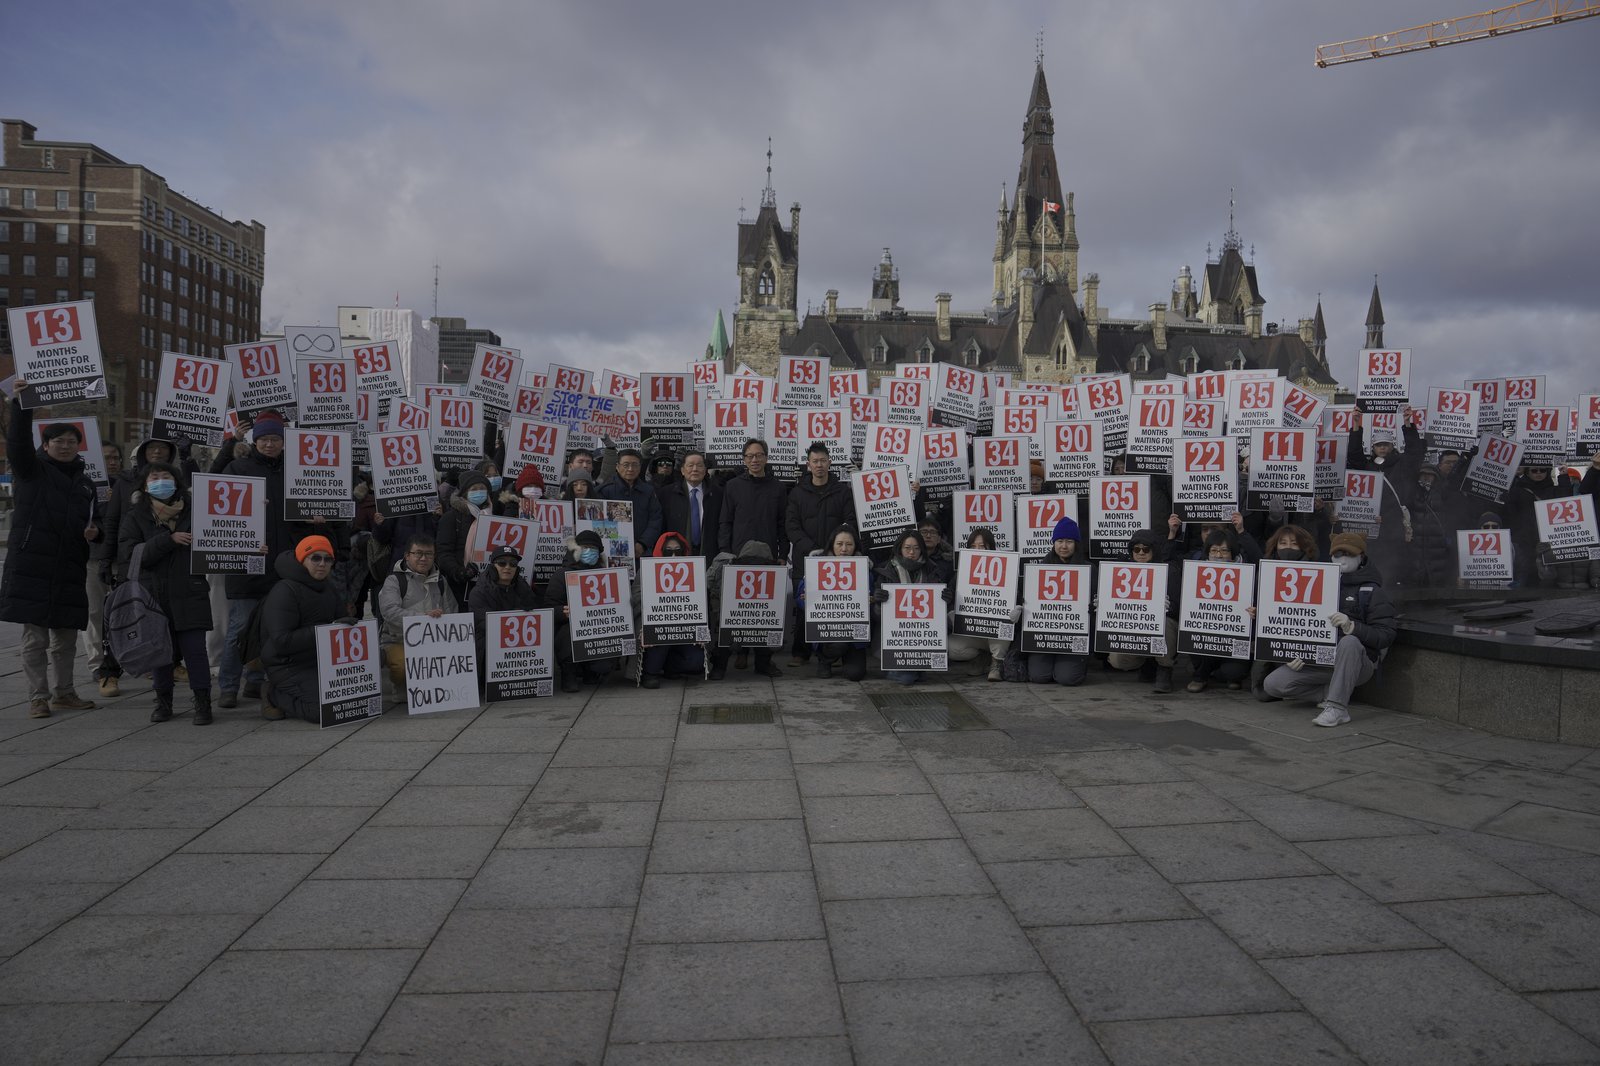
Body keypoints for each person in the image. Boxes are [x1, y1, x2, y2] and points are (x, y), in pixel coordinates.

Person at [213, 412, 333, 711]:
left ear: (283, 442)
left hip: (286, 567)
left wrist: (314, 520)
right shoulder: (237, 468)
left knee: (272, 630)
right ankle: (228, 685)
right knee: (240, 628)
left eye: (275, 439)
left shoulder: (297, 472)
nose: (269, 444)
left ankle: (256, 680)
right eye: (264, 439)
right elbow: (213, 497)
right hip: (247, 564)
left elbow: (306, 518)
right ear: (255, 440)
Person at [2, 389, 101, 718]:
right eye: (58, 441)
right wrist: (20, 404)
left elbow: (93, 521)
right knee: (34, 639)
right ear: (45, 446)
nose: (65, 445)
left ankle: (64, 692)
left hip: (69, 567)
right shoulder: (31, 471)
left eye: (71, 441)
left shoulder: (86, 484)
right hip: (33, 565)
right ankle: (37, 697)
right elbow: (16, 441)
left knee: (65, 639)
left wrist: (94, 531)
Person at [1261, 532, 1397, 727]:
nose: (1342, 559)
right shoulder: (1321, 582)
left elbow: (1386, 635)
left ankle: (1337, 707)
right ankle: (1331, 692)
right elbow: (1299, 622)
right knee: (1273, 684)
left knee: (1349, 642)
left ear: (1361, 557)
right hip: (1321, 660)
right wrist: (1295, 652)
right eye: (1337, 554)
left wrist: (1353, 627)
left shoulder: (1373, 592)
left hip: (1358, 662)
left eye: (1349, 554)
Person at [117, 461, 215, 724]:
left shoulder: (198, 510)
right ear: (145, 485)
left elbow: (224, 536)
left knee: (196, 651)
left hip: (190, 590)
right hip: (153, 595)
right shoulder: (136, 515)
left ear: (176, 481)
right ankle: (163, 702)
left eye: (166, 476)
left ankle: (203, 703)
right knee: (159, 652)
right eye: (155, 477)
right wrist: (167, 540)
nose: (161, 480)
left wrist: (250, 545)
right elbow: (129, 553)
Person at [258, 535, 347, 722]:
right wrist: (327, 630)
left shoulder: (330, 588)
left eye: (327, 559)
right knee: (323, 712)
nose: (322, 563)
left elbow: (340, 624)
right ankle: (272, 693)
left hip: (319, 660)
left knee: (352, 702)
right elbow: (282, 641)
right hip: (287, 664)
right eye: (315, 558)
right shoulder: (284, 590)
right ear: (302, 560)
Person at [872, 528, 977, 685]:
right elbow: (876, 616)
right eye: (907, 548)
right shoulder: (887, 571)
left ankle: (912, 668)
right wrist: (879, 602)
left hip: (920, 638)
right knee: (907, 678)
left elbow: (939, 613)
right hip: (893, 638)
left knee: (919, 677)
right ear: (900, 548)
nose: (912, 552)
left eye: (916, 548)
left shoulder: (932, 570)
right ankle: (894, 669)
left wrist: (945, 601)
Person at [784, 442, 855, 666]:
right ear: (808, 464)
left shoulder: (843, 491)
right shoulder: (797, 493)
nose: (819, 465)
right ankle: (801, 652)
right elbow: (792, 526)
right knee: (805, 605)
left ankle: (831, 652)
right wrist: (811, 549)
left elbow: (850, 522)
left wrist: (833, 549)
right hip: (805, 560)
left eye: (823, 460)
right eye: (815, 461)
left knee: (833, 606)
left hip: (836, 561)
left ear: (830, 462)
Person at [378, 535, 458, 707]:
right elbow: (390, 612)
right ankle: (402, 689)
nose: (424, 558)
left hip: (434, 641)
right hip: (398, 640)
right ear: (407, 555)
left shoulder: (441, 581)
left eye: (429, 554)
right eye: (418, 553)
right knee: (401, 666)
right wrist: (423, 619)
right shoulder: (394, 581)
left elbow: (453, 611)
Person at [1104, 528, 1180, 694]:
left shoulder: (1169, 570)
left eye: (1146, 549)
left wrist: (1168, 607)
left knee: (1165, 623)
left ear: (1154, 550)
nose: (1140, 553)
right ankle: (1147, 662)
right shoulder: (1122, 572)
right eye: (1136, 549)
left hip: (1162, 626)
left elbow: (1178, 608)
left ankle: (1164, 667)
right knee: (1117, 660)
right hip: (1135, 626)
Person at [544, 529, 619, 692]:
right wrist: (561, 612)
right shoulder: (560, 575)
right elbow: (548, 608)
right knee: (567, 632)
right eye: (585, 547)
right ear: (576, 549)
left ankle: (591, 670)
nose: (590, 552)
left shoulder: (606, 575)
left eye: (594, 549)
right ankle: (568, 673)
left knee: (603, 665)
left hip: (598, 626)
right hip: (568, 628)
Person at [707, 539, 790, 680]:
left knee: (769, 626)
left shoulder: (774, 578)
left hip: (758, 618)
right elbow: (712, 591)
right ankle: (720, 665)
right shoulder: (727, 571)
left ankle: (762, 664)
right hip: (732, 618)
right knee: (725, 630)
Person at [796, 524, 871, 681]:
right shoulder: (816, 565)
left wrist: (871, 601)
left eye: (849, 544)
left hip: (854, 633)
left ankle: (846, 659)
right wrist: (807, 601)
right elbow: (800, 597)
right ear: (832, 545)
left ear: (855, 546)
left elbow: (871, 599)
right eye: (839, 544)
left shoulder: (864, 568)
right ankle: (825, 659)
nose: (844, 549)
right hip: (826, 632)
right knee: (838, 644)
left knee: (855, 675)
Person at [1184, 528, 1253, 693]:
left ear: (1233, 552)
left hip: (1235, 635)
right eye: (1214, 550)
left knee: (1234, 672)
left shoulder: (1248, 572)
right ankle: (1201, 675)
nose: (1219, 555)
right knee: (1202, 636)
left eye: (1224, 550)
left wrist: (1254, 612)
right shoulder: (1195, 572)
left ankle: (1215, 674)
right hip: (1207, 634)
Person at [1026, 517, 1091, 687]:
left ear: (1076, 543)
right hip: (1045, 635)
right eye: (1060, 540)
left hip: (1073, 636)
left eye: (1069, 541)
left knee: (1067, 678)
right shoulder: (1039, 569)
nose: (1064, 546)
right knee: (1038, 676)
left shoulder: (1089, 570)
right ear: (1053, 543)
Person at [636, 532, 706, 688]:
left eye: (678, 550)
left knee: (696, 663)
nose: (673, 555)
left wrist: (702, 631)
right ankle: (650, 672)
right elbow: (634, 600)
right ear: (660, 550)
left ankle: (669, 667)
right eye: (668, 550)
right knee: (660, 636)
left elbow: (701, 604)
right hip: (656, 632)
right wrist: (642, 626)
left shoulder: (694, 572)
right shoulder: (646, 570)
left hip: (684, 632)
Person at [949, 527, 1017, 682]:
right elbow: (950, 596)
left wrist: (1017, 609)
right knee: (950, 646)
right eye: (973, 546)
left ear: (991, 547)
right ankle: (984, 656)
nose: (977, 550)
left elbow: (1018, 598)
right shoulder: (962, 571)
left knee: (1005, 627)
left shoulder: (1007, 568)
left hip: (997, 634)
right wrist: (951, 612)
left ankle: (997, 663)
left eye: (982, 546)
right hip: (975, 630)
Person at [83, 441, 123, 696]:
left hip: (121, 557)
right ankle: (97, 663)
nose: (112, 462)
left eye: (116, 457)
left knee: (126, 609)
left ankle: (128, 656)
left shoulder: (128, 484)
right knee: (94, 612)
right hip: (93, 557)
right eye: (107, 458)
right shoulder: (84, 486)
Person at [719, 438, 789, 561]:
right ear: (744, 460)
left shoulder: (778, 488)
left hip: (769, 555)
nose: (754, 460)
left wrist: (783, 555)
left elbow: (782, 525)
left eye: (759, 455)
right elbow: (725, 522)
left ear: (766, 458)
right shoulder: (732, 486)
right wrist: (725, 552)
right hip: (738, 555)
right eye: (750, 456)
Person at [436, 470, 495, 603]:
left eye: (482, 489)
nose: (479, 492)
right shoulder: (451, 518)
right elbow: (444, 552)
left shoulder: (493, 517)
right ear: (464, 493)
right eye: (474, 489)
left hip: (488, 585)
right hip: (459, 586)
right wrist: (459, 572)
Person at [597, 447, 664, 557]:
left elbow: (655, 519)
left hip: (642, 551)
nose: (630, 469)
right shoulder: (605, 490)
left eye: (635, 465)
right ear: (617, 467)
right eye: (626, 465)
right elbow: (599, 522)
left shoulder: (648, 491)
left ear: (640, 467)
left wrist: (643, 543)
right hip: (613, 550)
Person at [659, 451, 723, 559]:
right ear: (683, 470)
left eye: (699, 465)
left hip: (709, 554)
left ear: (705, 470)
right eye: (690, 465)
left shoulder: (718, 494)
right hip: (677, 555)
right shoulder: (667, 494)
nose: (695, 469)